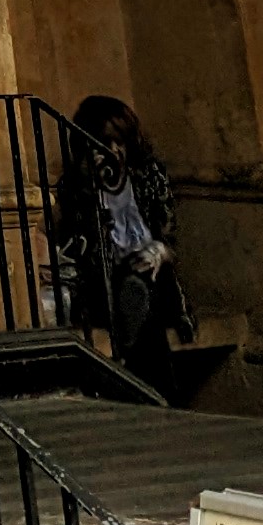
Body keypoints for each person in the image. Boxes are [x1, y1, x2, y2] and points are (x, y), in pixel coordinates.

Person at [54, 96, 196, 391]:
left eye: (119, 141)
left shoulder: (148, 176)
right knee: (135, 299)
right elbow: (79, 247)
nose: (114, 150)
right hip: (104, 281)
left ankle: (139, 380)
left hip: (153, 276)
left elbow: (168, 237)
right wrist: (89, 191)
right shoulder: (75, 186)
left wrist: (157, 252)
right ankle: (158, 391)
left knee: (141, 290)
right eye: (105, 142)